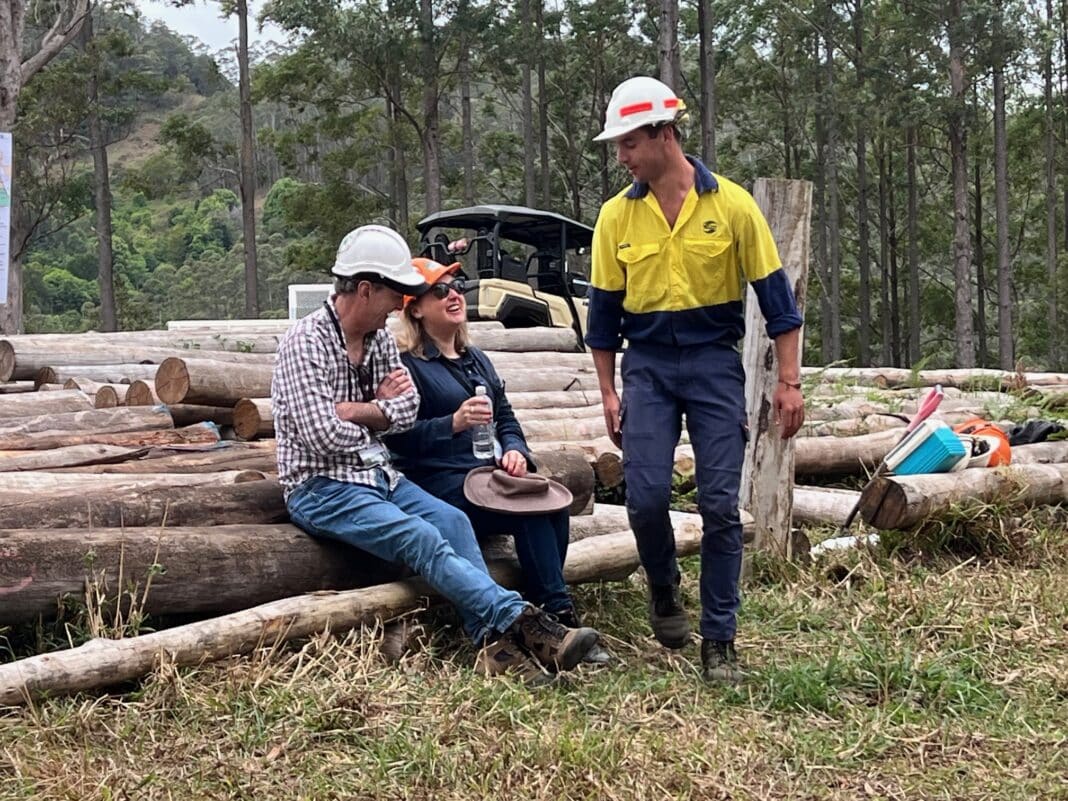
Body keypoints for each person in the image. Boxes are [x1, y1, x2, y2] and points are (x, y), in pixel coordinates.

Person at [272, 224, 600, 685]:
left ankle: (492, 648)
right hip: (322, 487)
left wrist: (359, 412)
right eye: (396, 294)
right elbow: (321, 436)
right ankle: (523, 621)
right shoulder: (304, 343)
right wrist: (378, 416)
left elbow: (403, 414)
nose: (398, 305)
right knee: (420, 537)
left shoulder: (381, 341)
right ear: (366, 290)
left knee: (453, 522)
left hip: (378, 477)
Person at [586, 76, 805, 682]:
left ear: (663, 134)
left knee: (719, 507)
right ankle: (662, 586)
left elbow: (779, 304)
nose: (622, 156)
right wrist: (608, 390)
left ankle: (720, 640)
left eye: (629, 143)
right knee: (647, 496)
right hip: (648, 368)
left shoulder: (732, 206)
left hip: (713, 364)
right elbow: (603, 318)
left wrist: (788, 381)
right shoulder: (616, 218)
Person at [387, 257, 609, 663]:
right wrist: (451, 424)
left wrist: (514, 450)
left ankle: (550, 613)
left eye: (458, 286)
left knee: (552, 506)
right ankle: (554, 619)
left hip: (489, 477)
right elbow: (398, 439)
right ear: (414, 308)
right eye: (440, 290)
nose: (454, 295)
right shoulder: (408, 366)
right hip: (440, 483)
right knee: (529, 511)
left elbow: (506, 417)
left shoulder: (477, 359)